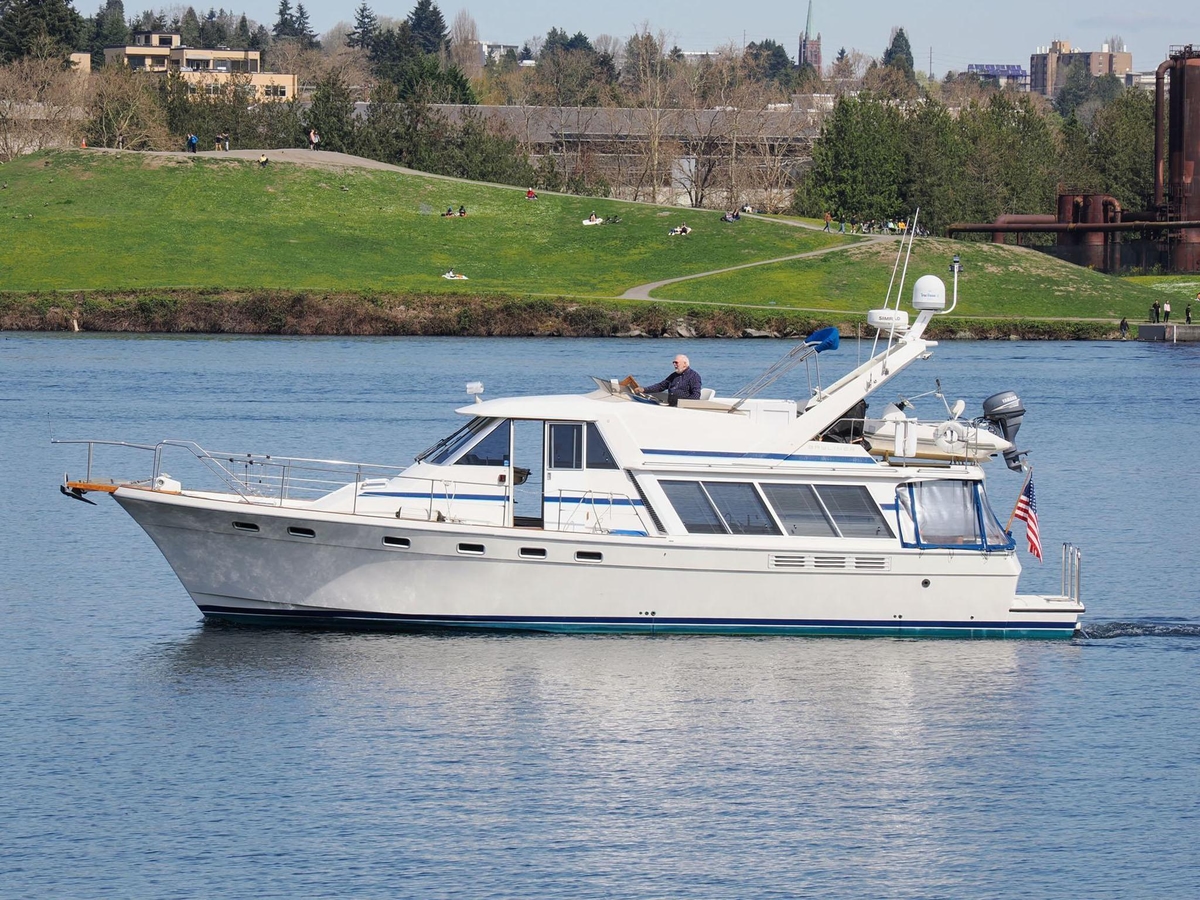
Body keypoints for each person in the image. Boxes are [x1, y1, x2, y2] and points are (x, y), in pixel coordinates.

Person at [638, 354, 702, 407]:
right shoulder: (673, 375)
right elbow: (661, 386)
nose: (674, 364)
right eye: (673, 363)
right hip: (671, 406)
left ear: (684, 364)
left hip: (683, 408)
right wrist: (644, 390)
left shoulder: (694, 376)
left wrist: (681, 403)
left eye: (676, 362)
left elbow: (696, 396)